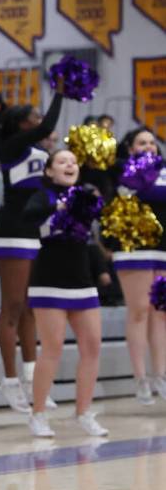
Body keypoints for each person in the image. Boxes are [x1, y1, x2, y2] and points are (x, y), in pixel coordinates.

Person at [0, 81, 64, 412]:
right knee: (13, 306)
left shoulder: (44, 154)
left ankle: (35, 382)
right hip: (12, 230)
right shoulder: (11, 147)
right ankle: (8, 382)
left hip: (35, 231)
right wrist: (60, 92)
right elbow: (48, 126)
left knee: (31, 308)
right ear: (20, 123)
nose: (39, 122)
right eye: (32, 117)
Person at [23, 150, 106, 437]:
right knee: (53, 347)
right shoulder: (42, 195)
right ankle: (38, 415)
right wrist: (60, 206)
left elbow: (92, 239)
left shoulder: (85, 195)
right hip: (49, 279)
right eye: (62, 161)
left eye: (73, 161)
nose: (70, 165)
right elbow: (28, 216)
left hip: (82, 280)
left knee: (93, 346)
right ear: (49, 171)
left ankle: (83, 412)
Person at [107, 128, 166, 403]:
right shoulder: (124, 169)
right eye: (142, 142)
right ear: (130, 148)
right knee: (140, 309)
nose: (149, 147)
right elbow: (146, 191)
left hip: (162, 247)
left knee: (161, 313)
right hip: (134, 247)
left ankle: (161, 376)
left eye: (152, 142)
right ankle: (140, 378)